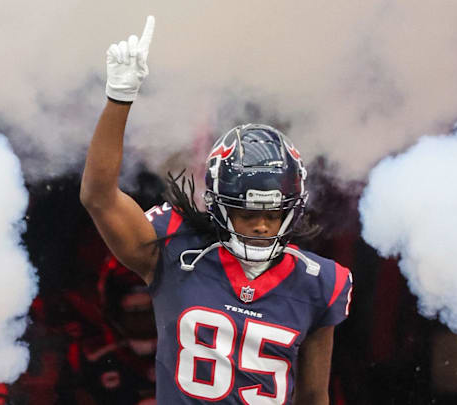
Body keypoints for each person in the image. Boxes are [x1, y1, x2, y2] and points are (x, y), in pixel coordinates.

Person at [80, 15, 353, 405]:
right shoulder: (177, 250)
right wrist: (119, 99)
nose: (260, 226)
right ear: (220, 207)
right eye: (246, 213)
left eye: (273, 214)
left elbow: (313, 396)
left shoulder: (317, 282)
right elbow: (98, 196)